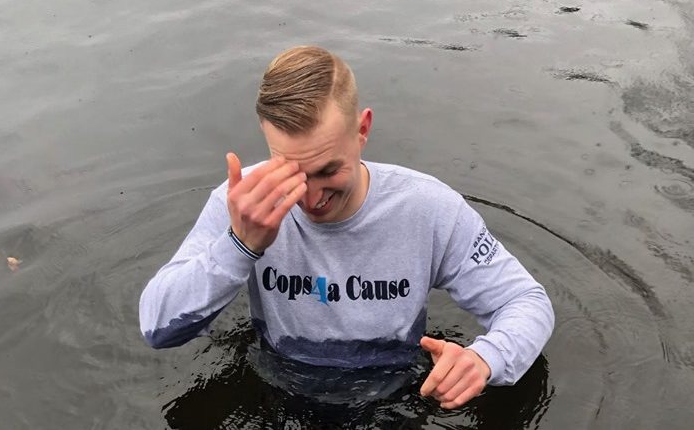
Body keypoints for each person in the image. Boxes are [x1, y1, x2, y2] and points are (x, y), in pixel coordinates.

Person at [139, 46, 555, 409]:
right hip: (279, 388)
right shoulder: (243, 206)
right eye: (290, 172)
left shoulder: (429, 209)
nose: (310, 198)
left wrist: (485, 358)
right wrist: (240, 245)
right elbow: (157, 327)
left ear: (362, 130)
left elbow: (526, 302)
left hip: (395, 393)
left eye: (327, 170)